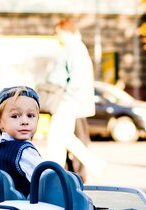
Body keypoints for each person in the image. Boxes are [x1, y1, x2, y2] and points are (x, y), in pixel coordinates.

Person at [45, 18, 105, 181]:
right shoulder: (76, 48)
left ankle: (55, 171)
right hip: (70, 100)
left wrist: (66, 98)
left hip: (67, 100)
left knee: (57, 136)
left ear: (66, 32)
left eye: (58, 33)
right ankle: (92, 164)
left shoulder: (74, 49)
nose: (57, 37)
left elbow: (77, 78)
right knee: (63, 136)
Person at [0, 86, 43, 197]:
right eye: (15, 116)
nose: (25, 121)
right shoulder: (25, 152)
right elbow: (46, 179)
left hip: (5, 208)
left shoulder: (1, 150)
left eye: (30, 116)